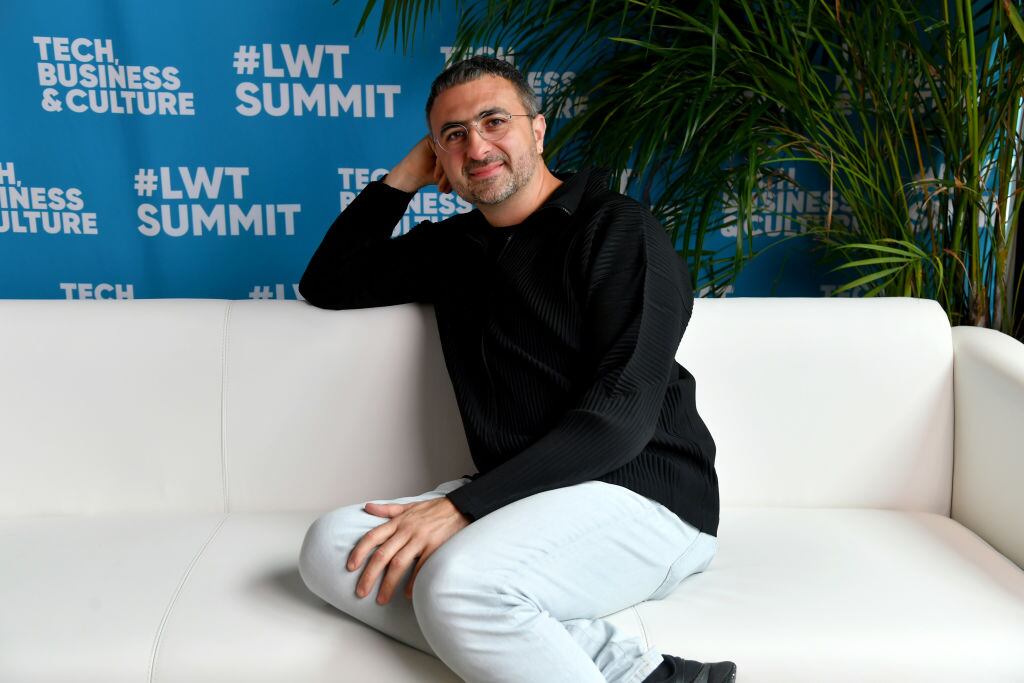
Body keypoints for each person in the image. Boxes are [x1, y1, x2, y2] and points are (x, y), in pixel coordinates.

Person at [296, 55, 736, 683]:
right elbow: (327, 283)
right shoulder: (455, 249)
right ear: (440, 161)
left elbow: (620, 417)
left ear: (537, 130)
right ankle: (637, 673)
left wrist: (462, 509)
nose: (477, 146)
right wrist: (406, 177)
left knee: (456, 583)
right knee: (332, 547)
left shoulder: (617, 228)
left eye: (493, 121)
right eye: (453, 136)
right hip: (518, 499)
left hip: (647, 495)